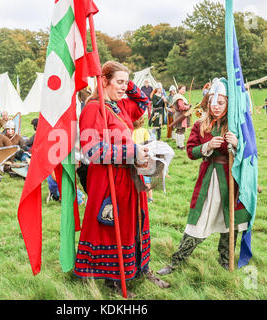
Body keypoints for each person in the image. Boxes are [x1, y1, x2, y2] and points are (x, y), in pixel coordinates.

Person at [75, 61, 169, 296]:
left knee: (137, 223)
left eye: (126, 83)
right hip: (109, 179)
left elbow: (142, 103)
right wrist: (131, 152)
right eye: (119, 82)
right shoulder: (93, 109)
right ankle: (114, 282)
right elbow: (92, 151)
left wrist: (129, 83)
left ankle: (140, 268)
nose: (124, 87)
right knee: (115, 227)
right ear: (103, 81)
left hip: (130, 177)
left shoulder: (118, 106)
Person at [157, 78, 252, 275]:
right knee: (197, 221)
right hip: (209, 180)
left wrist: (236, 144)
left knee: (230, 222)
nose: (216, 106)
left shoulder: (236, 125)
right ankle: (177, 260)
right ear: (207, 102)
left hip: (231, 180)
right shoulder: (201, 124)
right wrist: (207, 146)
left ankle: (226, 261)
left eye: (221, 102)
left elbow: (251, 153)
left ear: (228, 103)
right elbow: (191, 151)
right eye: (213, 102)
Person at [132, 115, 153, 202]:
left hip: (134, 157)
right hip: (143, 157)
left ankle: (139, 197)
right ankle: (150, 198)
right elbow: (148, 144)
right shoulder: (144, 131)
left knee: (136, 178)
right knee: (146, 179)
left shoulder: (130, 131)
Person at [171, 85, 192, 150]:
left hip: (178, 115)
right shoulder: (179, 98)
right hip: (181, 115)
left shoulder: (178, 97)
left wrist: (187, 105)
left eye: (184, 89)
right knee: (181, 130)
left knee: (178, 130)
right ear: (179, 90)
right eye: (182, 89)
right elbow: (181, 107)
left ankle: (178, 145)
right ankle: (181, 146)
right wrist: (188, 107)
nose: (184, 91)